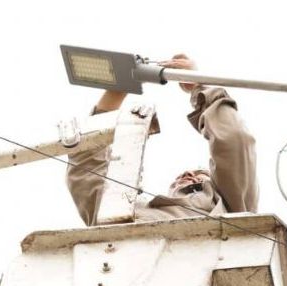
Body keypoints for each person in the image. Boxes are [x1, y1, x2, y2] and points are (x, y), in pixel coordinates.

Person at [66, 54, 258, 224]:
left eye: (200, 175)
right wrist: (117, 92)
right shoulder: (128, 211)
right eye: (181, 177)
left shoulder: (231, 207)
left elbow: (233, 141)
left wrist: (199, 85)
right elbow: (86, 176)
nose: (187, 175)